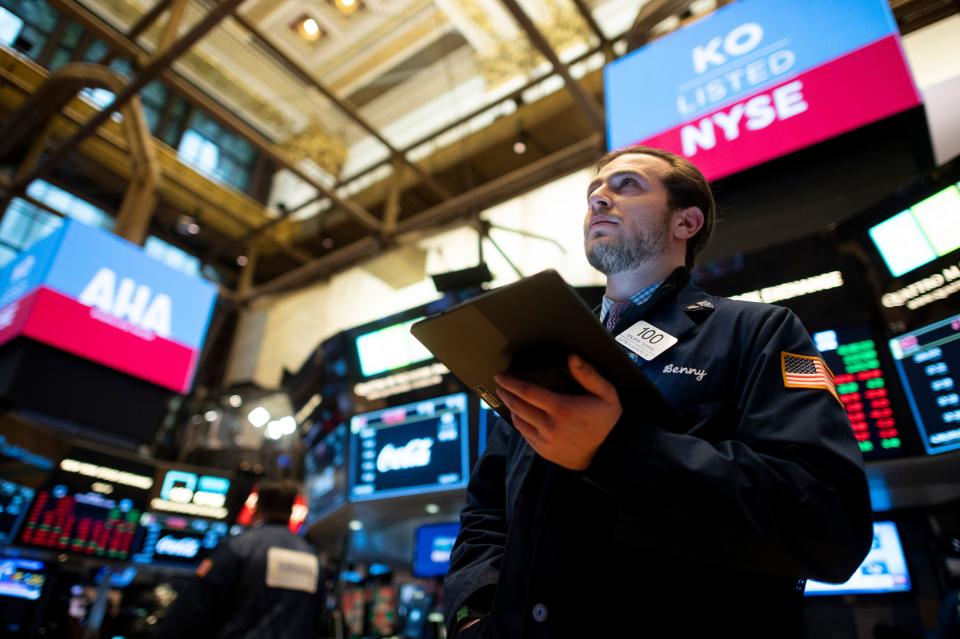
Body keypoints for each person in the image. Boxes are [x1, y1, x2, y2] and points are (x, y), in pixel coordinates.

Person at [443, 145, 873, 638]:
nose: (600, 199)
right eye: (594, 192)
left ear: (686, 222)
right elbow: (486, 511)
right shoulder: (545, 352)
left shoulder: (756, 331)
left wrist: (617, 450)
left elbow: (827, 522)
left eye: (627, 186)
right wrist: (471, 614)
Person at [157, 480, 327, 639]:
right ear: (291, 511)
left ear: (257, 508)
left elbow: (192, 611)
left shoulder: (237, 548)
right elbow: (318, 621)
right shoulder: (312, 559)